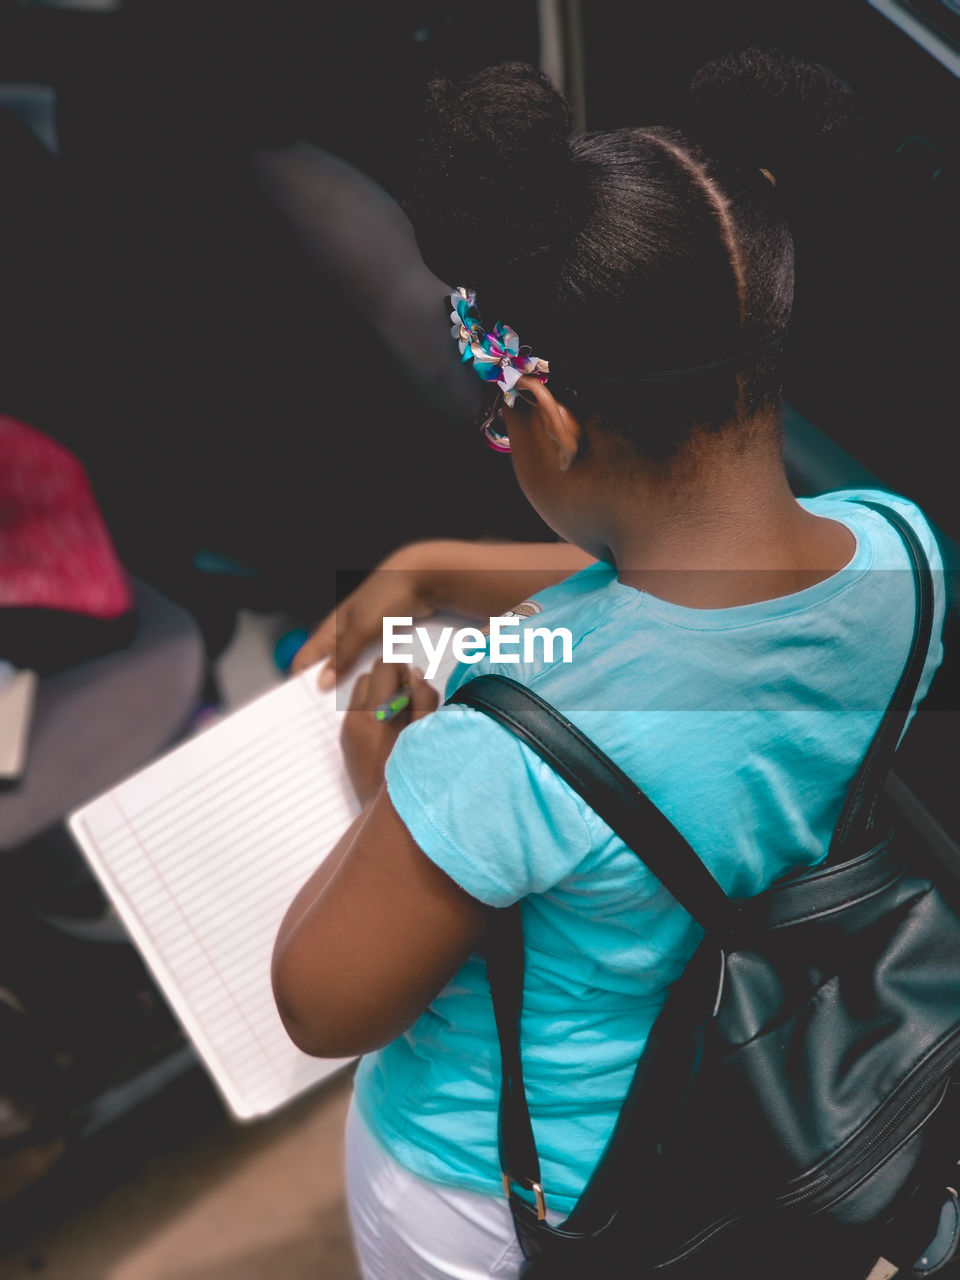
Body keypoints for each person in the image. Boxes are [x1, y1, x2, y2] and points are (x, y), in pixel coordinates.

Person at [272, 51, 946, 1279]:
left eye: (500, 413)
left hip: (519, 1191)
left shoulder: (500, 745)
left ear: (556, 422)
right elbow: (690, 602)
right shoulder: (906, 554)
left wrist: (390, 754)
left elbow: (320, 1001)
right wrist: (439, 564)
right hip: (750, 1078)